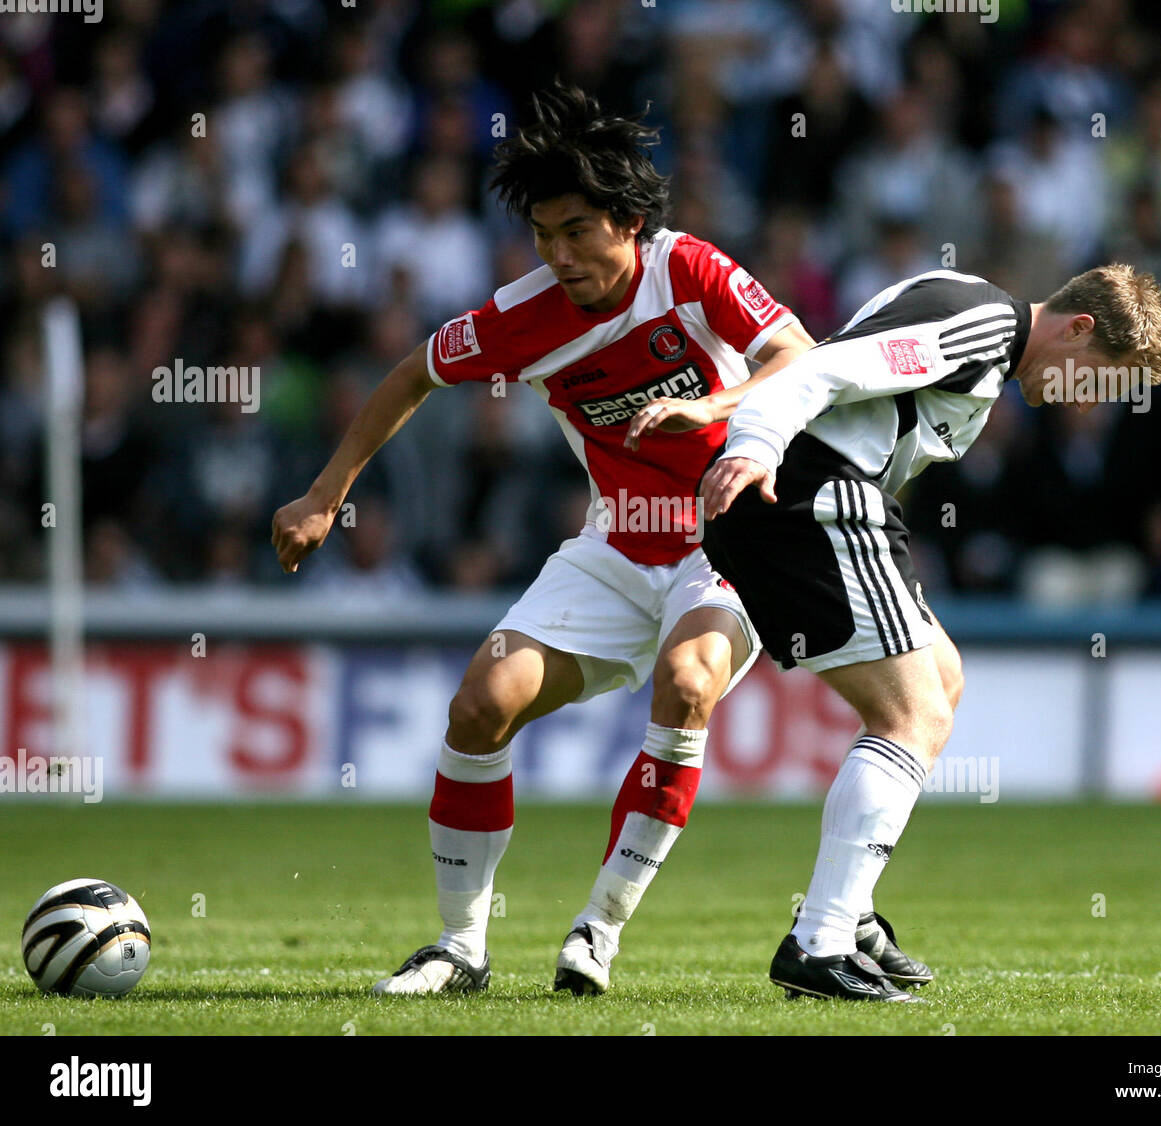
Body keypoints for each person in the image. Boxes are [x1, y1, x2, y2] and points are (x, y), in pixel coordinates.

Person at [270, 84, 816, 996]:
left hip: (731, 539)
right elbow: (410, 375)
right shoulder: (520, 317)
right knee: (481, 704)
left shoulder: (688, 271)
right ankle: (459, 948)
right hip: (611, 548)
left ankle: (595, 932)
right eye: (543, 235)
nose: (558, 255)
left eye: (575, 232)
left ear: (627, 221)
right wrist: (327, 495)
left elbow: (798, 353)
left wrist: (712, 405)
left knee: (687, 686)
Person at [696, 264, 1161, 1000]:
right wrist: (754, 444)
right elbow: (822, 368)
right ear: (1078, 329)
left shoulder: (982, 329)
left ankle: (848, 915)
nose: (1091, 400)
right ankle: (819, 941)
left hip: (816, 499)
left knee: (942, 677)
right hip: (806, 494)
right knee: (911, 713)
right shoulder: (981, 327)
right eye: (1100, 380)